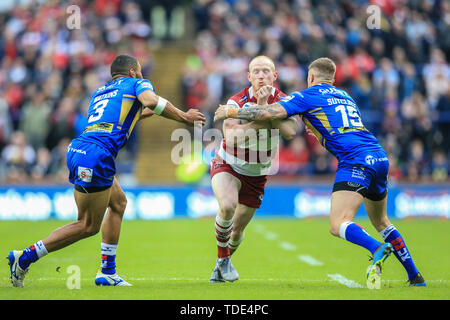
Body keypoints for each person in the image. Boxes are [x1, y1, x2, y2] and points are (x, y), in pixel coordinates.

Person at [214, 57, 425, 288]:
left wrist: (231, 113)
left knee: (338, 224)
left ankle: (375, 248)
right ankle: (415, 276)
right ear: (333, 80)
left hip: (355, 161)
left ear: (311, 78)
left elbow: (273, 118)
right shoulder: (346, 96)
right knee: (382, 221)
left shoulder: (305, 95)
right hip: (379, 156)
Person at [7, 54, 206, 288]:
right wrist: (183, 117)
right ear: (132, 71)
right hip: (97, 155)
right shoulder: (137, 83)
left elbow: (115, 120)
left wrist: (141, 113)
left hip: (81, 148)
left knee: (119, 203)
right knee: (87, 225)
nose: (142, 75)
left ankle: (107, 272)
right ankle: (25, 257)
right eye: (140, 71)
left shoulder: (100, 92)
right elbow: (151, 101)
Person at [210, 56, 298, 283]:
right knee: (227, 206)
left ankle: (222, 263)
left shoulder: (284, 100)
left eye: (266, 71)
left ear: (275, 76)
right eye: (256, 72)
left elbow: (290, 131)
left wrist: (261, 110)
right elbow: (232, 136)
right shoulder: (236, 101)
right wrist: (268, 116)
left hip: (257, 173)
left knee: (237, 230)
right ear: (249, 77)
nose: (261, 76)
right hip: (228, 163)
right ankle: (223, 260)